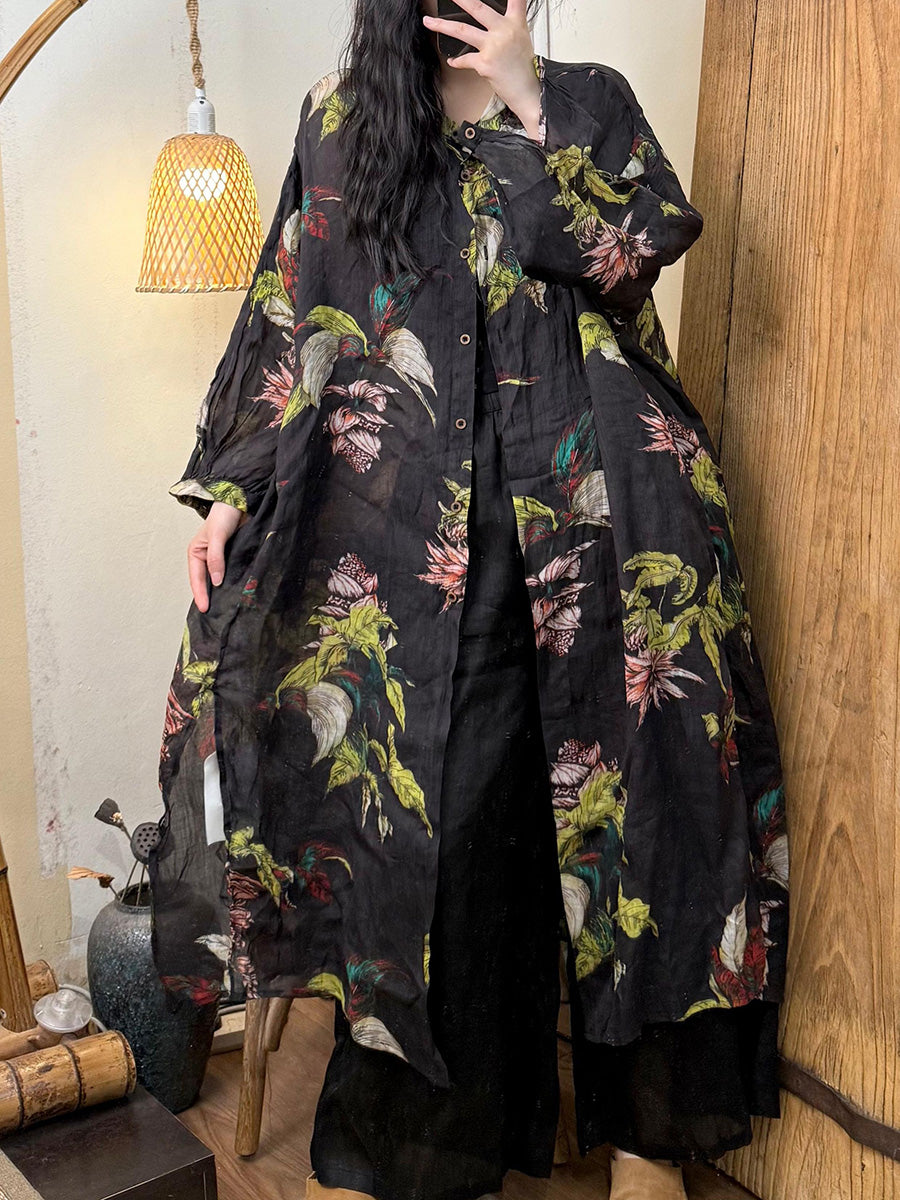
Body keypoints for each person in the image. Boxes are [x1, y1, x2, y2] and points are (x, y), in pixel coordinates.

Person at [148, 2, 791, 1199]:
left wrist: (530, 93)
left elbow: (636, 248)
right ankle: (432, 1151)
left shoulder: (584, 98)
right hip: (415, 544)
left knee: (646, 819)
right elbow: (288, 316)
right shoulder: (345, 121)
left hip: (607, 524)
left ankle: (650, 1144)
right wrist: (232, 494)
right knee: (442, 833)